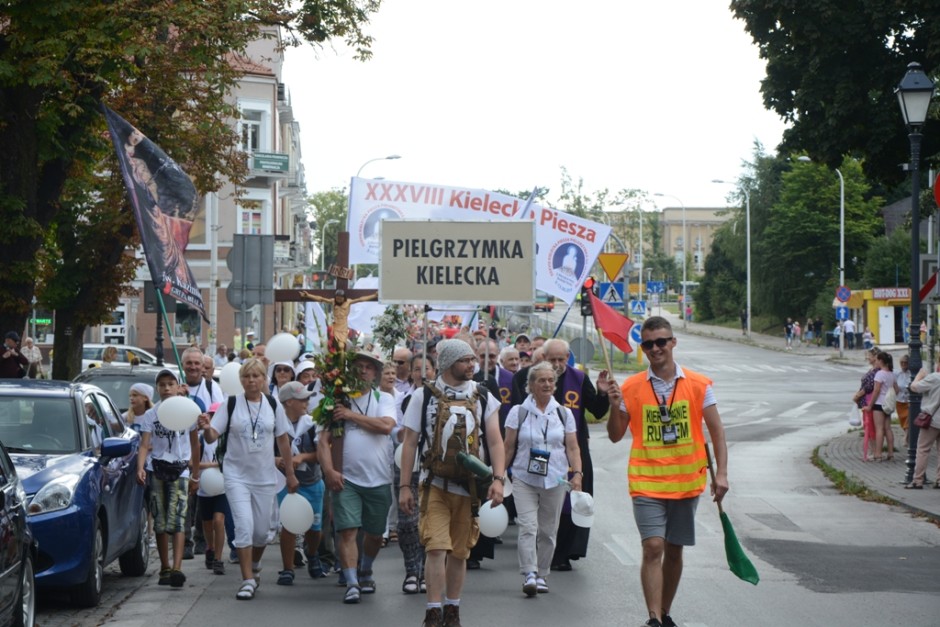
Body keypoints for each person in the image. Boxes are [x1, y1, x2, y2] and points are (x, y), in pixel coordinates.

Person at [607, 316, 728, 627]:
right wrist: (613, 405)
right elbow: (615, 434)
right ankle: (654, 618)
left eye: (661, 341)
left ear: (673, 342)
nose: (656, 348)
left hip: (686, 483)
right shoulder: (631, 387)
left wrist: (721, 474)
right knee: (653, 546)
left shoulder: (699, 385)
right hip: (646, 481)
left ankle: (665, 610)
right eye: (649, 344)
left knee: (674, 551)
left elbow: (717, 432)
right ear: (643, 348)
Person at [398, 339, 506, 627]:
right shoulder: (425, 396)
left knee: (460, 551)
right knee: (436, 547)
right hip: (434, 483)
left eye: (473, 359)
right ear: (448, 363)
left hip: (470, 488)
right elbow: (409, 442)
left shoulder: (483, 396)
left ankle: (452, 610)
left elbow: (495, 441)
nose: (472, 364)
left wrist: (498, 480)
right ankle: (433, 611)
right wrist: (405, 486)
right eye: (465, 360)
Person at [198, 358, 298, 601]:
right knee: (244, 527)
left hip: (264, 476)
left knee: (263, 533)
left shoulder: (273, 404)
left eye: (256, 376)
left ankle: (254, 564)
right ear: (241, 379)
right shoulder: (231, 404)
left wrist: (291, 473)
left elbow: (283, 439)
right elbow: (213, 437)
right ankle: (247, 580)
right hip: (236, 476)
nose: (251, 381)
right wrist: (206, 427)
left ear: (264, 379)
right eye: (246, 376)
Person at [510, 338, 613, 572]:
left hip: (573, 448)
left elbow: (596, 410)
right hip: (538, 451)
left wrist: (603, 394)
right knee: (542, 504)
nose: (557, 364)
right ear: (544, 358)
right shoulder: (532, 378)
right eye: (552, 359)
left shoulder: (579, 378)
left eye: (561, 359)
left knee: (571, 502)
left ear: (568, 358)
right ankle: (540, 552)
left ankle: (564, 552)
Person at [317, 349, 396, 605]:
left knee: (374, 535)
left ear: (375, 373)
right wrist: (329, 471)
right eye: (358, 366)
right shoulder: (336, 401)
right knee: (347, 531)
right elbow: (323, 441)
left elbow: (385, 426)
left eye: (368, 366)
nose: (363, 370)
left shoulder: (383, 398)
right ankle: (351, 582)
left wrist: (351, 416)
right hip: (346, 479)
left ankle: (366, 569)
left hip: (379, 479)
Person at [503, 362, 581, 597]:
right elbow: (508, 447)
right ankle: (529, 573)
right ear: (531, 385)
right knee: (528, 527)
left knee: (548, 531)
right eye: (541, 380)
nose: (547, 384)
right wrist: (498, 477)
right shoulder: (519, 412)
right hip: (523, 477)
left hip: (555, 478)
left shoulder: (564, 413)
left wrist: (577, 473)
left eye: (550, 380)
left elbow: (573, 447)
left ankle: (542, 574)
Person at [136, 369, 200, 589]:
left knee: (179, 517)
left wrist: (196, 474)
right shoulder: (151, 415)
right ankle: (164, 566)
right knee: (161, 521)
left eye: (171, 384)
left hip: (181, 469)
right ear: (157, 388)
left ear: (178, 386)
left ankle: (177, 567)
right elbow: (145, 444)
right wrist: (140, 467)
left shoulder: (188, 411)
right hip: (157, 468)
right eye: (162, 384)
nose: (166, 388)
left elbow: (194, 444)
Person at [275, 382, 325, 585]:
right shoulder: (275, 424)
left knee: (314, 526)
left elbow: (321, 455)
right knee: (288, 524)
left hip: (312, 481)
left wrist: (303, 457)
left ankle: (312, 554)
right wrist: (275, 460)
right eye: (303, 398)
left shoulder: (312, 424)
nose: (307, 401)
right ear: (289, 402)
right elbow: (262, 452)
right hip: (285, 482)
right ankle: (287, 568)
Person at [394, 355, 436, 596]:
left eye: (427, 368)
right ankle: (411, 569)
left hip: (432, 466)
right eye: (417, 369)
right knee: (408, 521)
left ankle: (424, 571)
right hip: (406, 464)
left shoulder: (441, 398)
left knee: (429, 520)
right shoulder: (403, 399)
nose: (423, 373)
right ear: (411, 373)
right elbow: (399, 434)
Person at [197, 401, 230, 575]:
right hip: (204, 487)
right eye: (212, 415)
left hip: (223, 487)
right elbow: (192, 462)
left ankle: (218, 559)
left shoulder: (228, 439)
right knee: (207, 523)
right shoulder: (202, 439)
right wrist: (211, 466)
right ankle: (210, 547)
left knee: (219, 520)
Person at [298, 289, 378, 350]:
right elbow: (321, 299)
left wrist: (374, 296)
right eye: (337, 298)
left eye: (340, 298)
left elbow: (361, 299)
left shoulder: (348, 302)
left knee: (341, 346)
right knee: (332, 345)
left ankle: (341, 359)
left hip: (343, 327)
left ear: (344, 298)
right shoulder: (333, 302)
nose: (339, 300)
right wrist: (308, 295)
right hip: (335, 326)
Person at [906, 355, 940, 489]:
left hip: (931, 420)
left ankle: (917, 480)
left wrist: (919, 376)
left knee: (923, 449)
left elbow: (914, 387)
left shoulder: (935, 377)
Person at [864, 351, 897, 462]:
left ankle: (878, 454)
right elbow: (896, 389)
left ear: (881, 361)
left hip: (878, 404)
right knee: (888, 428)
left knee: (879, 429)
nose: (876, 362)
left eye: (877, 360)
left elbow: (876, 390)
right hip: (888, 404)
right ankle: (891, 453)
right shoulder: (891, 374)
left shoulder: (880, 374)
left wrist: (870, 405)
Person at [854, 348, 879, 461]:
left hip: (869, 402)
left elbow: (868, 387)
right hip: (867, 401)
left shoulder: (876, 371)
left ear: (875, 357)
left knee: (870, 427)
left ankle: (874, 452)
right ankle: (872, 451)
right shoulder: (873, 370)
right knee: (868, 427)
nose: (868, 357)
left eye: (869, 355)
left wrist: (858, 395)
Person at [896, 355, 912, 448]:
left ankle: (905, 437)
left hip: (909, 401)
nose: (903, 364)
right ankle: (908, 435)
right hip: (899, 400)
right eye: (901, 362)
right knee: (903, 421)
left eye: (905, 362)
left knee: (908, 420)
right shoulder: (898, 373)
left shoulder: (911, 373)